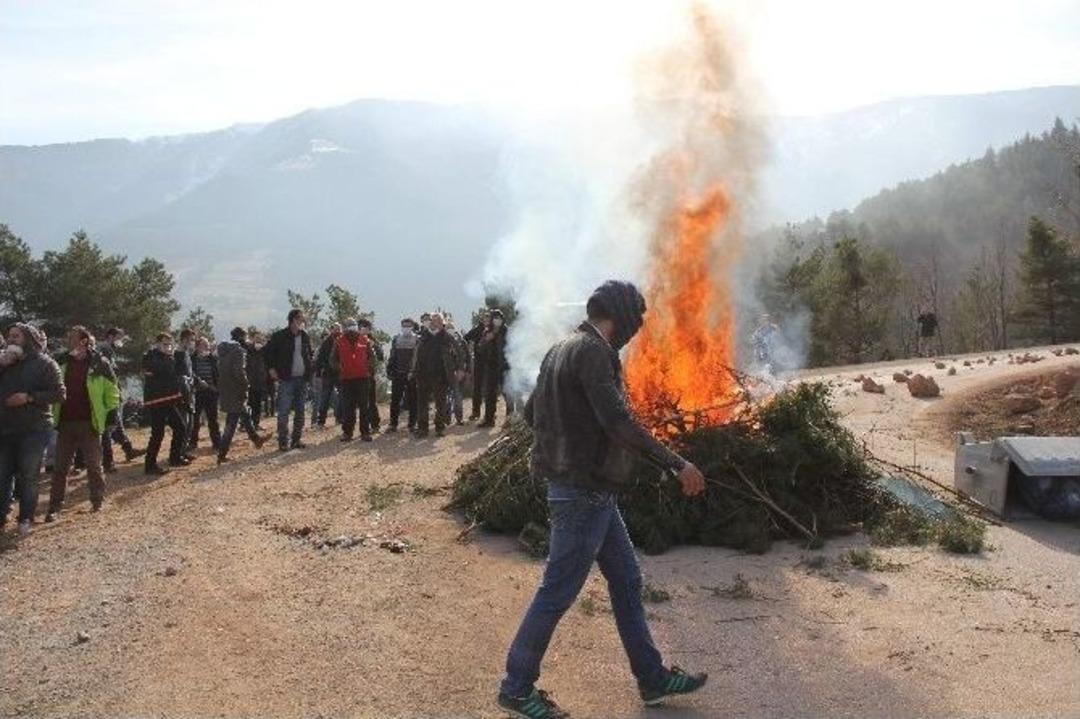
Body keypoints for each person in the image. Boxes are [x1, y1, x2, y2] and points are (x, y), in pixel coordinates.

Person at [497, 281, 708, 719]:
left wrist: (569, 440)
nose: (636, 330)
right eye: (636, 319)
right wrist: (675, 464)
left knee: (627, 580)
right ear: (621, 315)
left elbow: (533, 413)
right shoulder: (594, 352)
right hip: (584, 492)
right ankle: (516, 688)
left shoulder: (559, 348)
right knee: (557, 591)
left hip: (590, 491)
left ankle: (652, 678)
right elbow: (617, 422)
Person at [45, 326, 121, 521]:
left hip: (90, 423)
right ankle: (54, 507)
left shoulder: (99, 363)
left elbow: (113, 392)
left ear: (84, 341)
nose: (67, 341)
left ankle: (97, 500)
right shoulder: (60, 361)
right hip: (65, 423)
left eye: (71, 338)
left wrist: (107, 415)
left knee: (94, 466)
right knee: (60, 467)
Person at [0, 324, 64, 537]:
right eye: (9, 336)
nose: (11, 340)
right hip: (5, 428)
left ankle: (25, 517)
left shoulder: (45, 364)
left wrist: (29, 397)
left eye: (16, 336)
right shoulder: (4, 362)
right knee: (2, 475)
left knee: (28, 475)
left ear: (28, 338)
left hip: (34, 429)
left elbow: (59, 394)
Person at [216, 328, 269, 464]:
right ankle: (222, 453)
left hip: (226, 388)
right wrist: (246, 384)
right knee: (231, 423)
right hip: (236, 390)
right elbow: (239, 372)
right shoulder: (238, 351)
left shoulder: (223, 351)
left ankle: (256, 439)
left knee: (244, 415)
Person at [264, 309, 313, 451]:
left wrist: (310, 368)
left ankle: (296, 440)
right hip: (286, 379)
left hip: (302, 379)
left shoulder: (305, 336)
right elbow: (267, 354)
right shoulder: (279, 336)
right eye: (300, 319)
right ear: (293, 320)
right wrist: (271, 369)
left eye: (303, 320)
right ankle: (283, 441)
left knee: (300, 411)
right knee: (284, 411)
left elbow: (308, 354)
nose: (302, 322)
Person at [98, 327, 144, 471]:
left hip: (110, 392)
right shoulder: (104, 350)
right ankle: (108, 462)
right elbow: (107, 374)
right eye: (120, 338)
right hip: (106, 393)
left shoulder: (108, 350)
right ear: (111, 337)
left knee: (115, 424)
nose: (121, 342)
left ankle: (128, 449)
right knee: (108, 427)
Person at [142, 332, 188, 475]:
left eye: (169, 344)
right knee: (157, 433)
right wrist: (170, 358)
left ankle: (175, 457)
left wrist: (178, 355)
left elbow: (181, 371)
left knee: (180, 427)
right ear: (157, 344)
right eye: (165, 344)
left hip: (169, 399)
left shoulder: (170, 357)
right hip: (156, 401)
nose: (168, 347)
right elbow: (164, 369)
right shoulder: (150, 356)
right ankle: (150, 465)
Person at [410, 313, 462, 438]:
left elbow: (459, 353)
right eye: (432, 320)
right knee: (422, 403)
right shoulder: (423, 336)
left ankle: (439, 427)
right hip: (423, 375)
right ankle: (423, 429)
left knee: (441, 403)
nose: (434, 323)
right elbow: (415, 355)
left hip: (441, 376)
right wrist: (413, 371)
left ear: (442, 323)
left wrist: (459, 368)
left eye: (438, 320)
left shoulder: (447, 337)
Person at [330, 318, 378, 442]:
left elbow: (372, 357)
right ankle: (347, 433)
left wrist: (368, 369)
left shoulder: (365, 340)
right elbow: (332, 359)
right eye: (348, 325)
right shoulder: (339, 341)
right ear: (344, 328)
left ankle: (365, 433)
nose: (351, 328)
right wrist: (339, 368)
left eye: (353, 325)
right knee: (348, 407)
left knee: (364, 407)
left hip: (363, 378)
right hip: (346, 379)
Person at [386, 317, 419, 433]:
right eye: (404, 326)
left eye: (408, 326)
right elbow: (392, 355)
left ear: (413, 326)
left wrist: (415, 372)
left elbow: (418, 358)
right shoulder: (396, 339)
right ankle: (393, 424)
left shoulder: (417, 339)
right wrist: (389, 369)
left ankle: (412, 424)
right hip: (398, 373)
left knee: (413, 400)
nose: (406, 328)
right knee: (395, 400)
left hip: (412, 374)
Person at [478, 309, 509, 428]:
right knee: (489, 394)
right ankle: (489, 419)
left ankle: (510, 419)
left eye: (499, 318)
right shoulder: (487, 331)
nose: (497, 320)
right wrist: (487, 340)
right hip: (491, 366)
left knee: (508, 393)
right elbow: (480, 348)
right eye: (495, 318)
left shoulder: (507, 332)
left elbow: (513, 349)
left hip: (505, 367)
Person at [190, 336, 221, 450]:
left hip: (211, 392)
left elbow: (217, 374)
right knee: (195, 419)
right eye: (204, 345)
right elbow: (189, 374)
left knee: (213, 419)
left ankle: (217, 442)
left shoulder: (213, 359)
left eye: (208, 345)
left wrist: (217, 388)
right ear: (197, 347)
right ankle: (192, 443)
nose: (207, 347)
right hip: (196, 393)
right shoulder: (191, 359)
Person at [314, 322, 343, 427]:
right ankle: (321, 421)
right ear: (332, 330)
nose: (337, 331)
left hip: (339, 373)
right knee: (325, 397)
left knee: (340, 396)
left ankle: (339, 418)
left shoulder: (343, 341)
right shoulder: (326, 342)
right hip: (328, 373)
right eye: (335, 329)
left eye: (339, 329)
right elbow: (320, 358)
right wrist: (318, 372)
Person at [174, 328, 197, 459]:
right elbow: (177, 375)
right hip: (181, 394)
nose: (192, 342)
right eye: (191, 340)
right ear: (184, 339)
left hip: (190, 392)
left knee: (190, 424)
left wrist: (197, 380)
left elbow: (190, 372)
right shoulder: (177, 355)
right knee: (184, 423)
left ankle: (183, 451)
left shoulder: (187, 354)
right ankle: (178, 453)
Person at [464, 311, 491, 421]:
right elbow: (465, 338)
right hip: (479, 362)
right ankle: (476, 412)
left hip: (491, 363)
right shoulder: (476, 330)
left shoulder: (494, 330)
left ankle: (489, 413)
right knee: (477, 388)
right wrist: (469, 350)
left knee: (490, 389)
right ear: (481, 319)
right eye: (484, 317)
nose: (486, 319)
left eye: (488, 317)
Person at [445, 320, 469, 425]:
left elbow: (467, 357)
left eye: (451, 327)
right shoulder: (442, 341)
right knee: (445, 398)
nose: (449, 329)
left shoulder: (461, 341)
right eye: (447, 327)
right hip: (445, 373)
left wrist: (466, 371)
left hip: (459, 373)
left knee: (458, 396)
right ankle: (446, 418)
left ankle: (459, 418)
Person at [245, 332, 268, 429]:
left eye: (260, 339)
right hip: (249, 381)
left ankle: (256, 423)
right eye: (256, 338)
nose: (258, 340)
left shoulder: (264, 352)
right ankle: (244, 424)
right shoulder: (249, 350)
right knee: (248, 404)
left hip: (260, 381)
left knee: (257, 404)